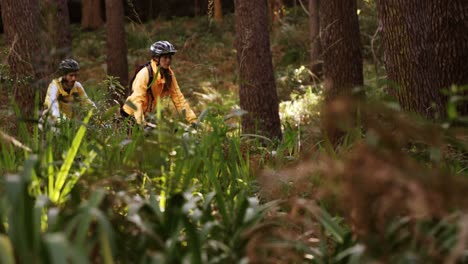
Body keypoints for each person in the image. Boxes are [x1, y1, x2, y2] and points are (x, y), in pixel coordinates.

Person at [121, 41, 197, 127]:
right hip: (132, 114)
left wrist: (193, 121)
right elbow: (137, 100)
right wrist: (141, 123)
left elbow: (179, 99)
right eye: (165, 57)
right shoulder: (145, 73)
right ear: (156, 58)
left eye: (169, 57)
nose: (168, 60)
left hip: (147, 116)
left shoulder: (168, 74)